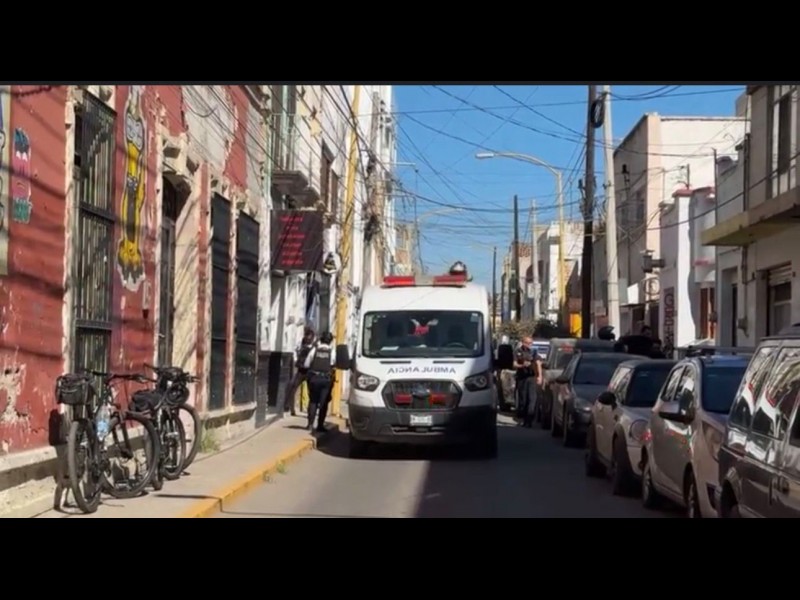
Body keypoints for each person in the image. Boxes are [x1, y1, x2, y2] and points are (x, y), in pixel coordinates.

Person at [303, 331, 336, 432]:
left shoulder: (314, 350)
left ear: (321, 340)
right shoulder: (332, 352)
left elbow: (306, 364)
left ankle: (310, 425)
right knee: (323, 403)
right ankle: (320, 426)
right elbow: (333, 364)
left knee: (313, 401)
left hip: (314, 379)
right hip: (325, 380)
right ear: (330, 341)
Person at [284, 327, 315, 416]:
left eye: (310, 338)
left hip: (310, 371)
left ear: (312, 338)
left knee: (311, 391)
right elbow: (295, 351)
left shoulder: (314, 346)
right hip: (301, 370)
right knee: (291, 386)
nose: (308, 339)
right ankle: (290, 408)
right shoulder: (300, 344)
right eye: (307, 337)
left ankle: (311, 411)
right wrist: (296, 360)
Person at [514, 336, 542, 427]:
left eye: (530, 343)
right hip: (522, 378)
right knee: (523, 400)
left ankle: (529, 420)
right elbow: (514, 364)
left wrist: (539, 376)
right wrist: (522, 365)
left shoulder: (533, 352)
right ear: (523, 342)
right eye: (527, 343)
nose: (529, 345)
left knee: (532, 399)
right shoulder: (518, 351)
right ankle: (525, 419)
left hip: (531, 377)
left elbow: (538, 363)